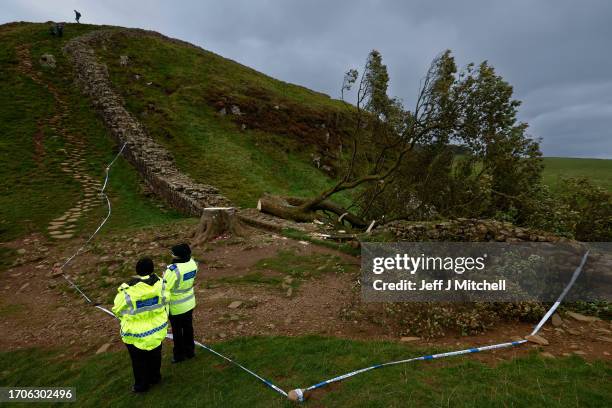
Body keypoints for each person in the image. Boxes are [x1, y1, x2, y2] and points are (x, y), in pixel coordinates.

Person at [112, 258, 168, 393]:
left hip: (136, 334)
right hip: (157, 329)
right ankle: (155, 377)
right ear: (152, 269)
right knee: (155, 355)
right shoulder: (161, 284)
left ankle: (141, 386)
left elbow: (117, 310)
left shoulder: (127, 291)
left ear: (137, 271)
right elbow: (166, 300)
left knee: (139, 361)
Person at [163, 243, 198, 363]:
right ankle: (190, 351)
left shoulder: (173, 270)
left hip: (176, 306)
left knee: (177, 331)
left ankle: (179, 355)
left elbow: (165, 288)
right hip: (189, 301)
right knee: (188, 328)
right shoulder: (193, 263)